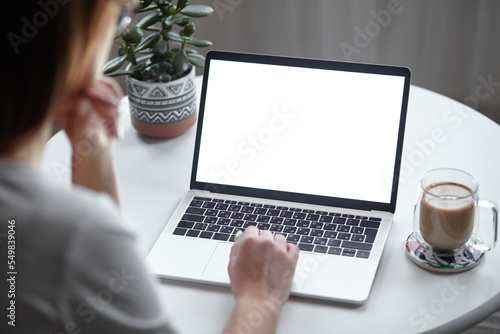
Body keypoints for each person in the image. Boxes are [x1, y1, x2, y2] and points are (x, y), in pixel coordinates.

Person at [0, 1, 299, 333]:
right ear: (72, 41)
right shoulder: (69, 231)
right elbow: (79, 244)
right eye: (118, 19)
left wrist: (93, 161)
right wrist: (260, 298)